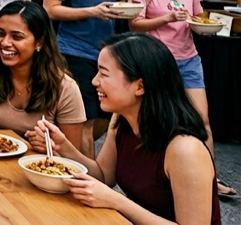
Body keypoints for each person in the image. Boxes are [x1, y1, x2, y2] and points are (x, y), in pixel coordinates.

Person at [26, 34, 222, 224]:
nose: (94, 81)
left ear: (140, 86)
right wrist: (63, 146)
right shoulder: (122, 119)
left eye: (103, 73)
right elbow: (104, 176)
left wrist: (117, 201)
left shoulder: (185, 149)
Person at [128, 0, 235, 197]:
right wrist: (166, 18)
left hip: (188, 58)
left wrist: (204, 26)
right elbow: (134, 24)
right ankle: (154, 175)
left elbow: (198, 17)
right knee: (154, 120)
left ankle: (211, 178)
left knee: (202, 120)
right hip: (156, 61)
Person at [43, 0, 128, 155]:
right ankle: (87, 178)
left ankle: (66, 152)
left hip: (109, 53)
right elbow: (50, 10)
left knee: (105, 116)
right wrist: (91, 11)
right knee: (86, 120)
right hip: (73, 52)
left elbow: (120, 1)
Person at [0, 1, 85, 142]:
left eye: (17, 37)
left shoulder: (65, 88)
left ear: (39, 43)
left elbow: (71, 158)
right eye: (0, 33)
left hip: (41, 162)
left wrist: (52, 147)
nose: (5, 42)